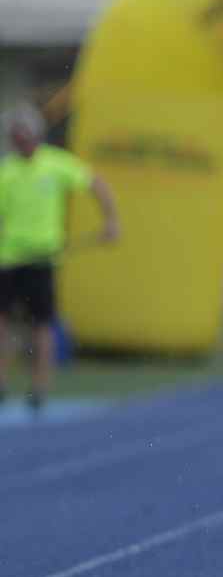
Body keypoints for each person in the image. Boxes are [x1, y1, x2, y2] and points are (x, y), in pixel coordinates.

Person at [0, 102, 119, 413]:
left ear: (36, 135)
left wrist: (111, 221)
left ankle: (40, 388)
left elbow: (96, 184)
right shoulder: (6, 171)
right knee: (4, 323)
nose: (21, 142)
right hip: (9, 258)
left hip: (43, 258)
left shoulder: (55, 164)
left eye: (25, 136)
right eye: (16, 137)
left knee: (42, 324)